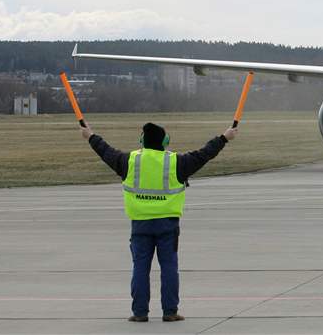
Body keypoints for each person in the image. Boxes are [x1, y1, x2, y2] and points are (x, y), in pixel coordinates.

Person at [80, 121, 237, 322]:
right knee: (169, 267)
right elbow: (204, 154)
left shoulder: (129, 161)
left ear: (141, 141)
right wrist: (224, 138)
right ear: (165, 141)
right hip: (167, 224)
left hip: (140, 224)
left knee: (140, 268)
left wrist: (91, 136)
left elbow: (105, 151)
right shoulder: (176, 162)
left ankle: (139, 313)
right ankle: (170, 311)